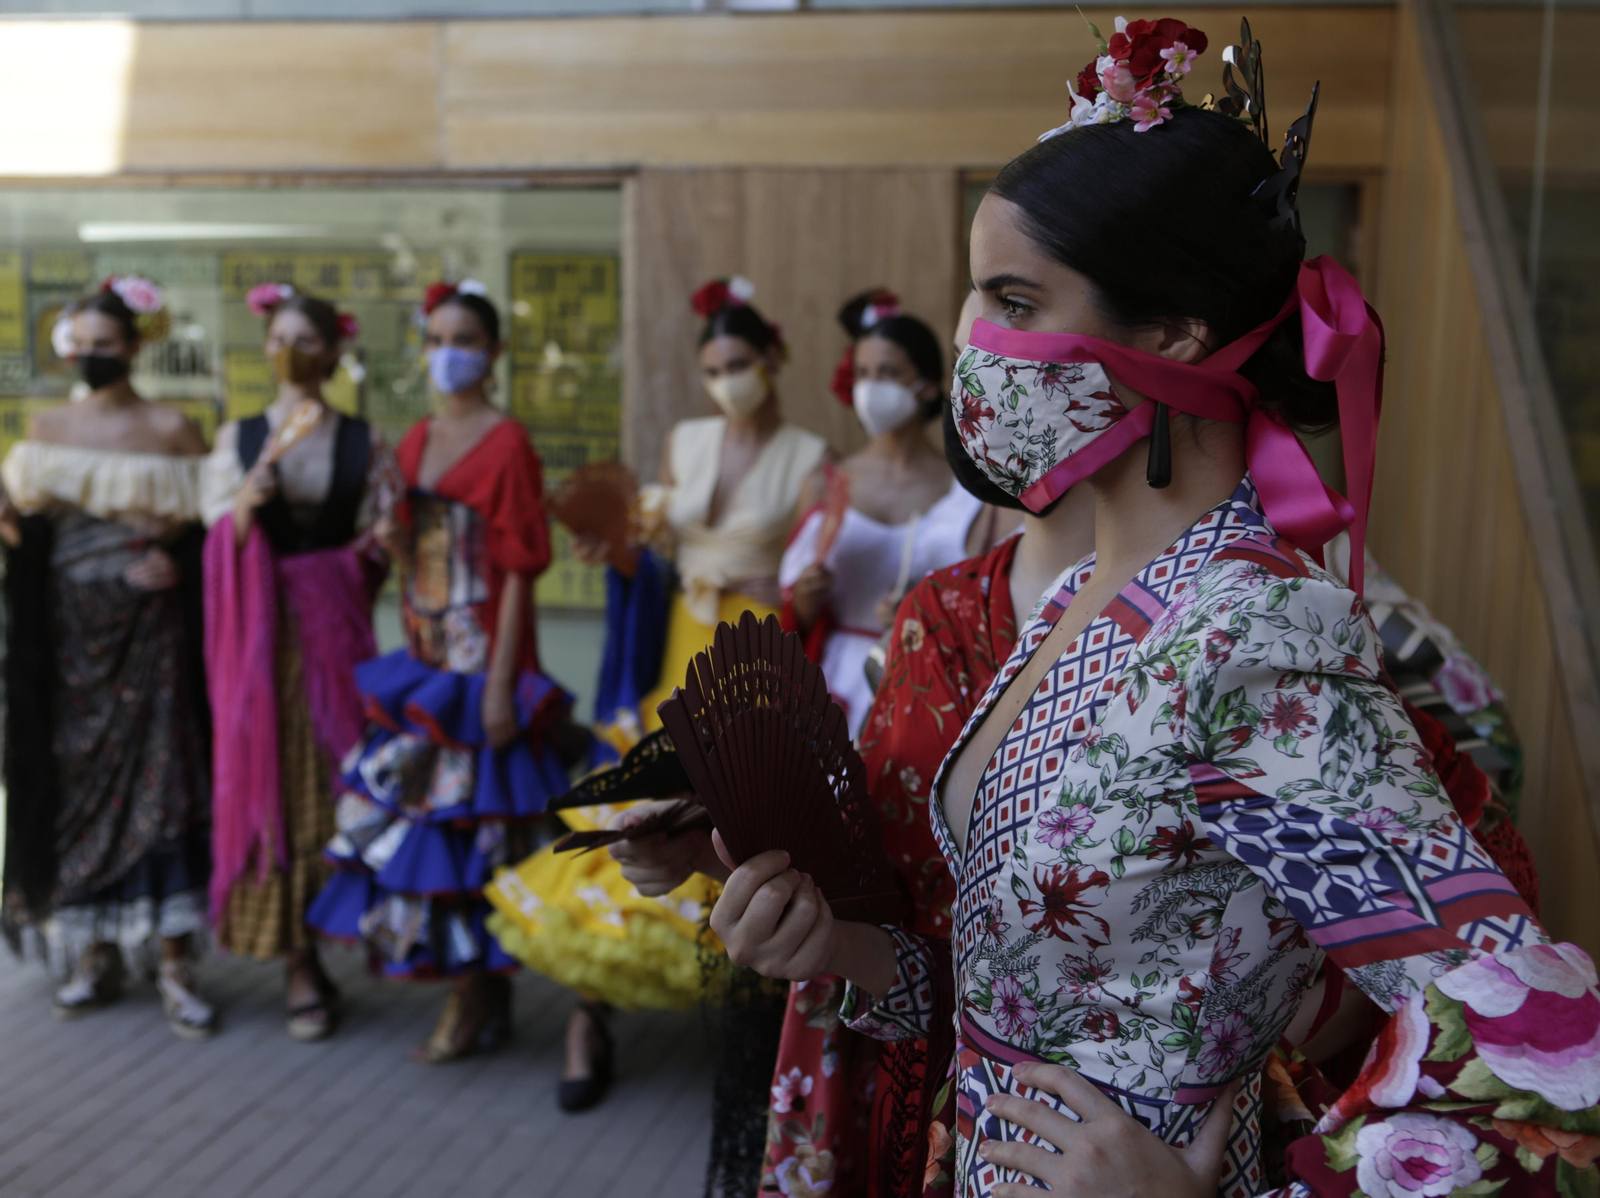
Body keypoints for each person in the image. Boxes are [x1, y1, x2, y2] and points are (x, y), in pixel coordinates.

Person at [699, 22, 1600, 1198]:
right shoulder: (1082, 597)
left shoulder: (1253, 635)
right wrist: (842, 951)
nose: (975, 344)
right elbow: (1045, 987)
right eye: (976, 298)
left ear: (1174, 333)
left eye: (1013, 298)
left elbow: (1546, 1044)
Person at [306, 280, 570, 1063]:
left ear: (492, 351)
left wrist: (499, 681)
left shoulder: (509, 441)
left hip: (482, 649)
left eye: (464, 338)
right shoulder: (414, 439)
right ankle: (477, 992)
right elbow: (407, 552)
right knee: (433, 822)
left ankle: (480, 994)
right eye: (435, 337)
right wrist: (388, 539)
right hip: (422, 650)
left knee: (477, 826)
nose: (446, 352)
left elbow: (523, 568)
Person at [0, 277, 215, 1038]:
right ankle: (90, 953)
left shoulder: (174, 428)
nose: (91, 357)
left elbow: (214, 529)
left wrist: (181, 560)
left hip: (150, 634)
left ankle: (175, 958)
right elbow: (26, 533)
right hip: (67, 635)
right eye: (79, 346)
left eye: (105, 345)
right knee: (73, 777)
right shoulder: (45, 423)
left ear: (134, 346)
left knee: (167, 780)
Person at [200, 282, 395, 1041]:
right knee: (271, 776)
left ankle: (351, 931)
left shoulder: (361, 439)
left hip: (335, 627)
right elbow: (214, 536)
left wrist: (360, 559)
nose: (289, 351)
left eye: (306, 340)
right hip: (261, 638)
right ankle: (297, 962)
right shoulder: (239, 437)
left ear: (334, 351)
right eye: (278, 337)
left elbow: (381, 536)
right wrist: (246, 506)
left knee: (337, 773)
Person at [780, 289, 1003, 738]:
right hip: (832, 682)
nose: (870, 387)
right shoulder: (826, 484)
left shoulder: (971, 493)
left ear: (926, 383)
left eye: (888, 372)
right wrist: (806, 597)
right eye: (862, 372)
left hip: (927, 686)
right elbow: (791, 618)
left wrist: (918, 617)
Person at [636, 276, 830, 727]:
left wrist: (787, 587)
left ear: (770, 357)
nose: (726, 382)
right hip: (686, 616)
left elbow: (814, 567)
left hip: (756, 629)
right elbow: (658, 549)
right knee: (669, 758)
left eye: (737, 365)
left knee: (741, 764)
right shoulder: (682, 440)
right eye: (713, 372)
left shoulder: (812, 456)